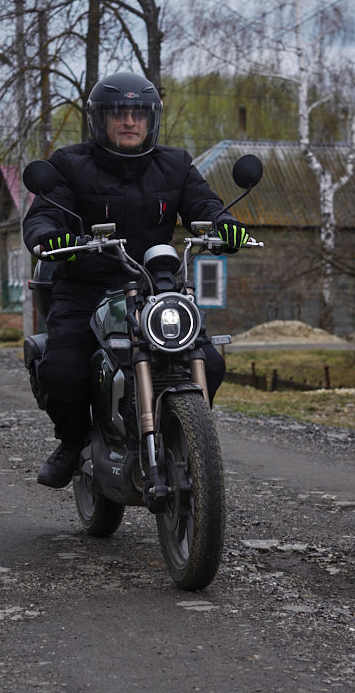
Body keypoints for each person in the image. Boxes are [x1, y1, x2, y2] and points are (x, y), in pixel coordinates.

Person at [22, 71, 252, 488]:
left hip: (152, 287)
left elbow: (206, 204)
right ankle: (73, 442)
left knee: (211, 362)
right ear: (100, 120)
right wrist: (49, 235)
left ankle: (186, 436)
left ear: (151, 120)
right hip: (86, 287)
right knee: (62, 368)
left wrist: (226, 225)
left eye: (138, 113)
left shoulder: (176, 164)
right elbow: (43, 214)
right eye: (118, 113)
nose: (129, 121)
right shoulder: (68, 164)